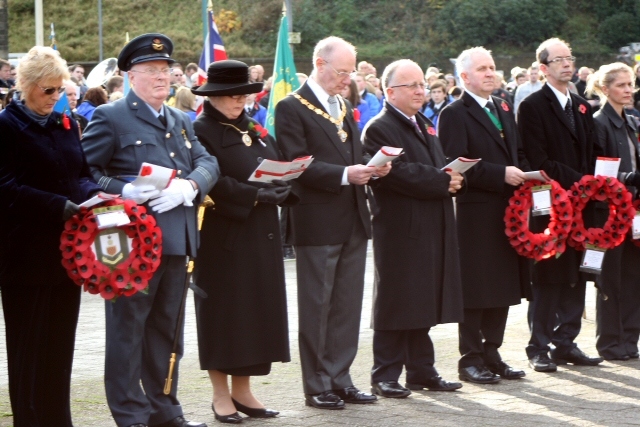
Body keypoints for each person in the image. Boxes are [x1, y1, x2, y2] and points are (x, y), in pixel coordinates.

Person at [82, 33, 219, 427]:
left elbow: (207, 160)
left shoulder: (179, 119)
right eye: (152, 70)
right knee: (128, 332)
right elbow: (86, 173)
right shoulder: (111, 117)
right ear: (131, 75)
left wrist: (190, 186)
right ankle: (130, 414)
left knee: (167, 332)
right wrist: (124, 189)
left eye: (167, 70)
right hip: (130, 246)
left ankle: (165, 409)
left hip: (177, 239)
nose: (163, 77)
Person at [275, 36, 390, 410]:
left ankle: (341, 378)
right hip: (316, 220)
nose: (348, 79)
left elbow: (350, 152)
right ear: (320, 65)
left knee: (346, 306)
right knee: (317, 306)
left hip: (353, 217)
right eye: (343, 72)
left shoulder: (342, 102)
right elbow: (296, 162)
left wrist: (374, 164)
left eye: (351, 71)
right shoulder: (291, 106)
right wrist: (345, 174)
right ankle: (317, 384)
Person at [0, 45, 102, 426]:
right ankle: (27, 419)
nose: (56, 97)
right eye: (48, 90)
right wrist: (57, 205)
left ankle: (58, 418)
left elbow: (81, 174)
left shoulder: (65, 123)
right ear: (24, 85)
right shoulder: (7, 126)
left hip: (67, 253)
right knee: (28, 347)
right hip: (25, 255)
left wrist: (96, 195)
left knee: (60, 345)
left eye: (60, 89)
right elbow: (5, 187)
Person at [190, 59, 296, 424]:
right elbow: (210, 181)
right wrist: (254, 196)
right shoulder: (201, 130)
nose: (241, 101)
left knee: (255, 315)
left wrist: (283, 184)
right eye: (233, 95)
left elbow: (275, 161)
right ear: (214, 96)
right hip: (224, 237)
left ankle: (243, 389)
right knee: (225, 315)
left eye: (246, 94)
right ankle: (221, 395)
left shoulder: (252, 126)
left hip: (260, 235)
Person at [362, 59, 465, 399]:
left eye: (422, 84)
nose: (421, 90)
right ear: (389, 91)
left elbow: (431, 166)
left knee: (421, 300)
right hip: (400, 227)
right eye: (412, 86)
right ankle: (384, 373)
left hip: (429, 222)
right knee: (396, 301)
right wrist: (442, 180)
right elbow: (396, 173)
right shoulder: (379, 127)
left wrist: (452, 175)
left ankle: (421, 371)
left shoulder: (422, 121)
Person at [439, 46, 529, 384]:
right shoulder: (454, 113)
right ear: (464, 77)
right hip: (476, 213)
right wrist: (499, 173)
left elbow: (516, 151)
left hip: (509, 209)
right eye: (481, 69)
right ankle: (470, 358)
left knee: (504, 285)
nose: (490, 73)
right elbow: (454, 165)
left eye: (492, 67)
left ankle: (493, 352)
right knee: (477, 288)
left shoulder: (503, 106)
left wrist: (525, 173)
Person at [518, 37, 603, 373]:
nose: (567, 64)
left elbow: (593, 151)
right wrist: (582, 180)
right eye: (559, 60)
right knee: (549, 275)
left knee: (578, 272)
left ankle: (566, 341)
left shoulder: (581, 105)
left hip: (582, 204)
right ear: (543, 68)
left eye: (570, 58)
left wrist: (599, 180)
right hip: (550, 203)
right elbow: (539, 159)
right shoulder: (533, 106)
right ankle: (538, 345)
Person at [587, 62, 640, 361]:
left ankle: (630, 339)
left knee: (634, 276)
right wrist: (627, 179)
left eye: (630, 84)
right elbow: (598, 173)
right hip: (609, 212)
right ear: (605, 89)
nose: (628, 90)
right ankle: (609, 342)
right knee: (611, 278)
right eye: (622, 85)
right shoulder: (599, 122)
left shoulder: (632, 120)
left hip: (635, 209)